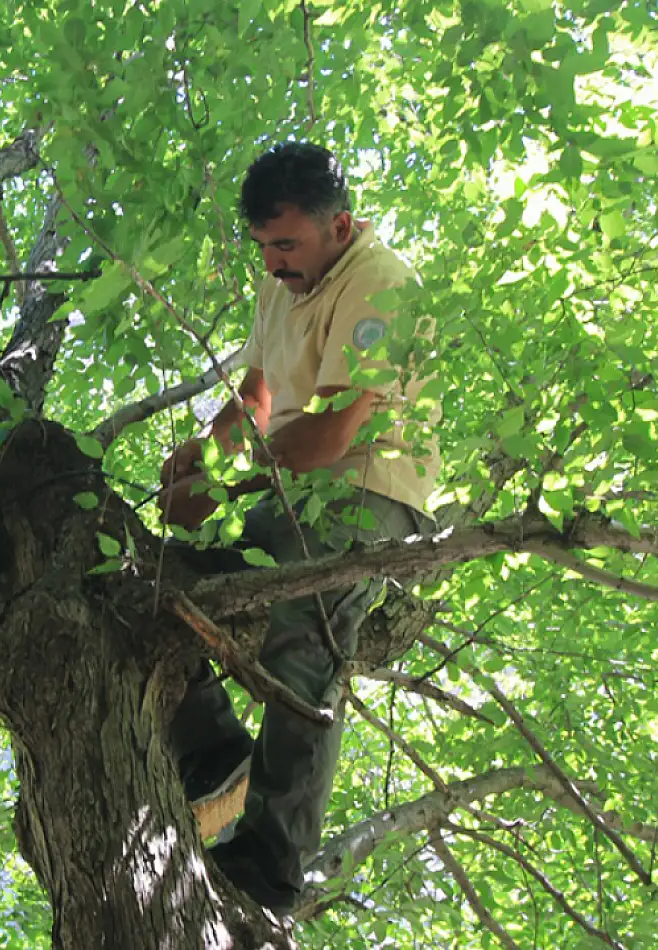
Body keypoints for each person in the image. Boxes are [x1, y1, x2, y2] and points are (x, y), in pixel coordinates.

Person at [159, 142, 441, 913]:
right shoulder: (278, 289)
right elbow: (253, 400)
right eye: (263, 247)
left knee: (302, 639)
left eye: (286, 245)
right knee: (152, 585)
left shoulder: (381, 283)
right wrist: (197, 464)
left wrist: (225, 487)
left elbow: (329, 436)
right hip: (283, 493)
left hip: (367, 494)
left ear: (340, 225)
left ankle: (272, 866)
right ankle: (216, 756)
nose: (275, 263)